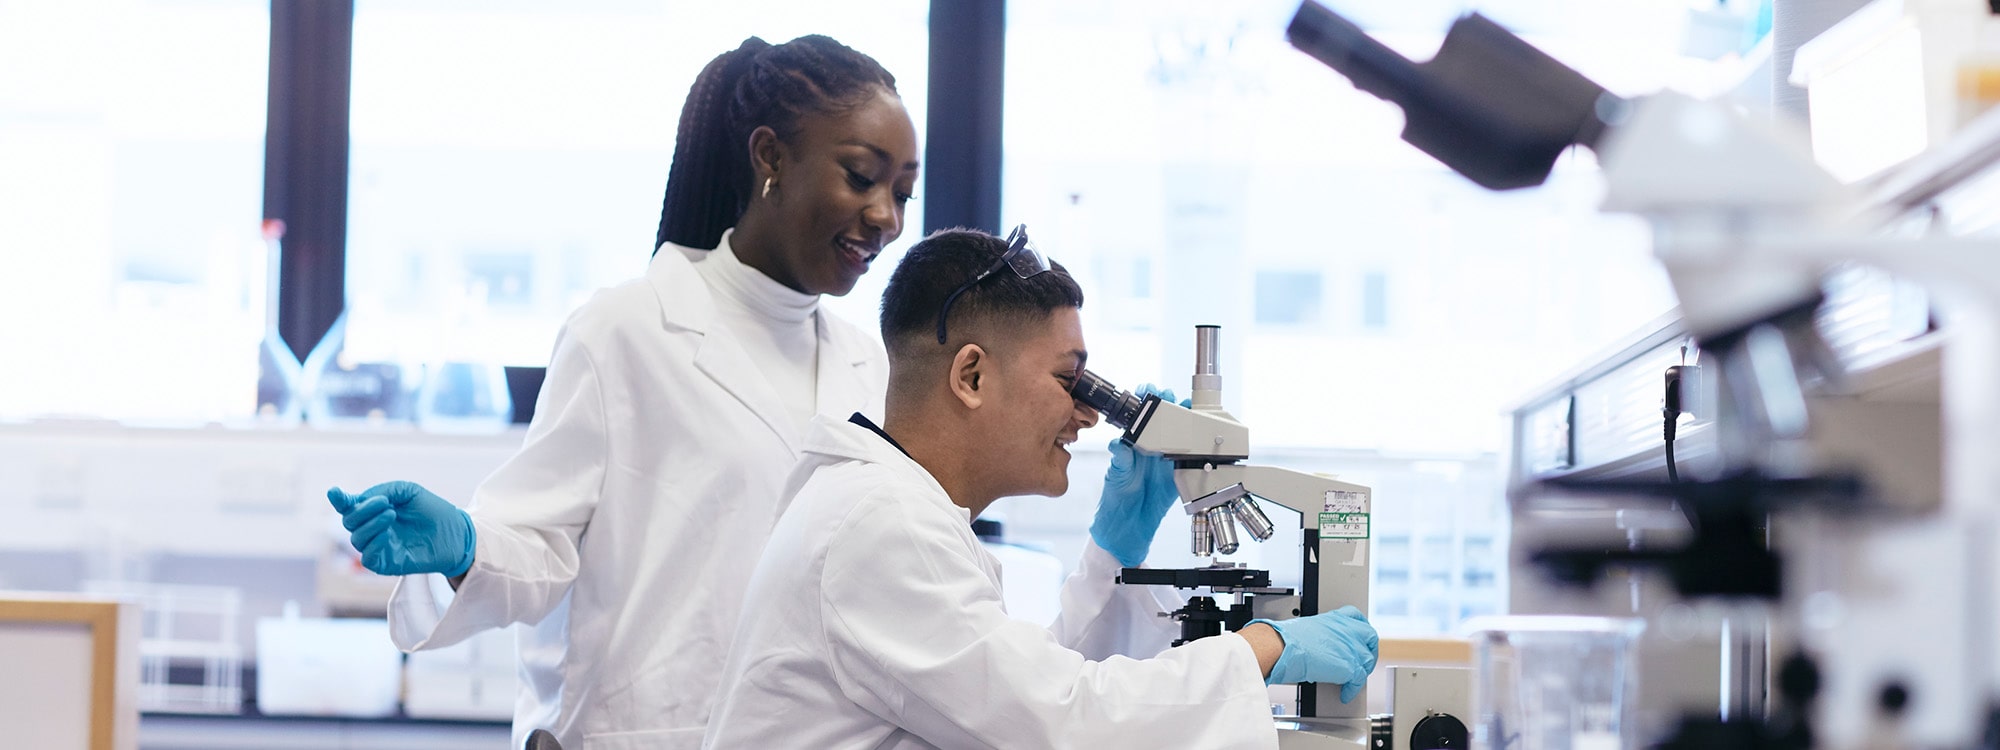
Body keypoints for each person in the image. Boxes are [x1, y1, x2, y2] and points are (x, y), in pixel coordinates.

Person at [323, 34, 918, 749]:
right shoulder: (626, 332)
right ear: (771, 157)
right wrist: (465, 547)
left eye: (903, 192)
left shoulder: (869, 367)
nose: (887, 216)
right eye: (861, 177)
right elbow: (539, 545)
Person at [701, 227, 1379, 749]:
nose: (1087, 414)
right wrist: (1262, 648)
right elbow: (1062, 720)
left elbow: (1018, 692)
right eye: (1071, 381)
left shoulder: (889, 508)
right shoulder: (882, 525)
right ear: (970, 376)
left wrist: (1116, 552)